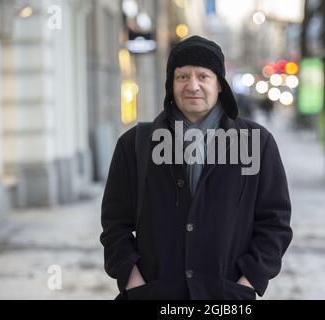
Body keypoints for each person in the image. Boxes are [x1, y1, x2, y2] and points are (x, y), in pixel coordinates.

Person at [100, 35, 292, 300]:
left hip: (226, 298)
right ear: (171, 83)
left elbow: (275, 224)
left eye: (203, 76)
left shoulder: (257, 143)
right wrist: (134, 283)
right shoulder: (135, 145)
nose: (193, 86)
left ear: (220, 85)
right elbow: (115, 226)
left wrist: (247, 282)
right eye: (182, 77)